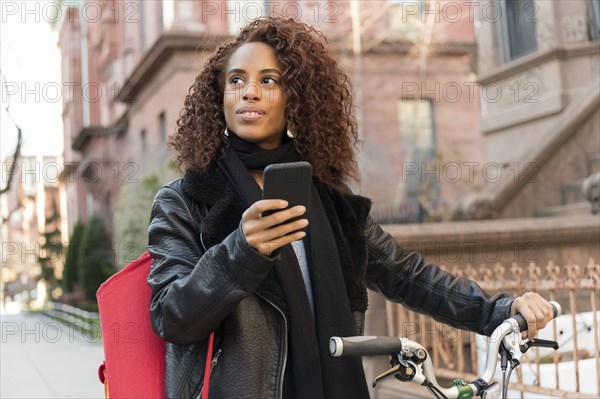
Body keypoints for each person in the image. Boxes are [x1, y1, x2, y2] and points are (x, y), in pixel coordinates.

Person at [147, 17, 554, 399]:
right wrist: (242, 251)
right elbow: (172, 317)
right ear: (220, 97)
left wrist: (496, 309)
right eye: (237, 80)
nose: (249, 92)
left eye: (268, 80)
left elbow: (406, 275)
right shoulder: (185, 202)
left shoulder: (329, 200)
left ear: (296, 100)